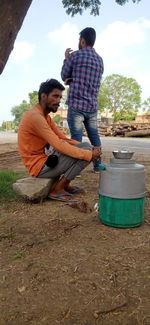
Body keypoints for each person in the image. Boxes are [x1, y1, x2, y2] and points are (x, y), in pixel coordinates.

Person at [18, 79, 102, 202]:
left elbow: (63, 138)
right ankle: (58, 189)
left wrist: (89, 148)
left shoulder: (44, 117)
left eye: (60, 97)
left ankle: (65, 185)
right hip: (38, 167)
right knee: (86, 154)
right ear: (43, 96)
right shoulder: (35, 117)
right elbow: (58, 145)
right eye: (55, 96)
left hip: (47, 160)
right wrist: (89, 154)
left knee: (85, 146)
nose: (58, 101)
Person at [61, 27, 104, 173]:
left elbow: (63, 74)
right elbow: (90, 80)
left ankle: (74, 169)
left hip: (76, 105)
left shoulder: (75, 56)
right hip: (92, 106)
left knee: (76, 139)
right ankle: (98, 165)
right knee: (94, 136)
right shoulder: (100, 60)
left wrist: (66, 58)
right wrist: (74, 79)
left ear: (83, 40)